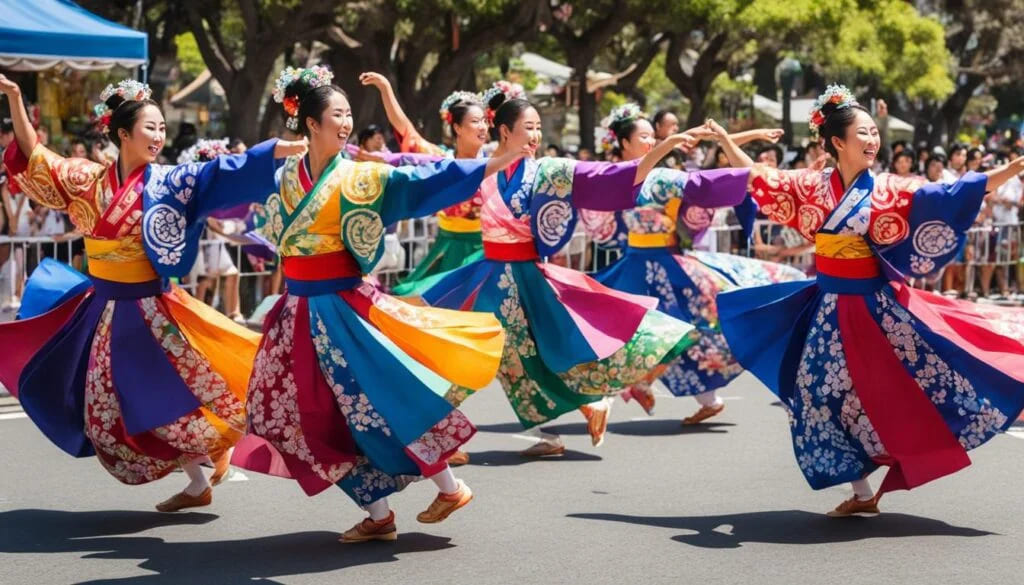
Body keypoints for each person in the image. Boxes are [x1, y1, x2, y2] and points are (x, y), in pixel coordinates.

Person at [229, 65, 525, 543]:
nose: (346, 123)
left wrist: (495, 162)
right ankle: (380, 514)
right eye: (337, 114)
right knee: (316, 412)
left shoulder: (361, 177)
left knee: (379, 400)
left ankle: (449, 486)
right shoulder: (287, 175)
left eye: (349, 114)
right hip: (299, 311)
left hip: (344, 308)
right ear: (310, 123)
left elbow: (426, 182)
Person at [712, 84, 1024, 518]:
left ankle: (1002, 394)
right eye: (864, 133)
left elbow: (950, 194)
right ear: (837, 142)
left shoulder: (889, 189)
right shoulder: (810, 186)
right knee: (817, 398)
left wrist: (1011, 167)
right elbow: (760, 179)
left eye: (875, 132)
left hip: (876, 310)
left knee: (923, 379)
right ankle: (862, 493)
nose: (874, 141)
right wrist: (727, 142)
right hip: (828, 311)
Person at [0, 74, 306, 511]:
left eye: (163, 128)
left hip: (153, 311)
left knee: (172, 393)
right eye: (151, 127)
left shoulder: (168, 181)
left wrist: (269, 153)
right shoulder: (86, 178)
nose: (159, 136)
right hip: (106, 311)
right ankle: (200, 478)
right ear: (123, 133)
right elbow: (35, 154)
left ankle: (205, 466)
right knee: (118, 406)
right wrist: (16, 98)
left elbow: (216, 173)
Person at [417, 89, 711, 457]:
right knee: (510, 359)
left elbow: (609, 175)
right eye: (529, 127)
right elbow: (421, 171)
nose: (537, 135)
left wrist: (660, 150)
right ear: (505, 132)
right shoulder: (483, 168)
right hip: (493, 274)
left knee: (482, 352)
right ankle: (575, 416)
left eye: (539, 127)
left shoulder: (549, 170)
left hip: (523, 278)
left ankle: (431, 434)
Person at [588, 104, 806, 422]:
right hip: (634, 263)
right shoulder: (616, 179)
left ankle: (627, 391)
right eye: (644, 136)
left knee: (678, 329)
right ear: (623, 143)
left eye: (653, 136)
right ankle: (701, 397)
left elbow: (704, 182)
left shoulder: (661, 177)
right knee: (614, 326)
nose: (651, 141)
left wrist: (746, 174)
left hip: (664, 266)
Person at [360, 73, 490, 299]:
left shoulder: (495, 163)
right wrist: (386, 89)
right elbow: (405, 128)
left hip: (486, 250)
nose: (483, 127)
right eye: (475, 121)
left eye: (485, 121)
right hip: (447, 249)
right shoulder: (439, 160)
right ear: (457, 128)